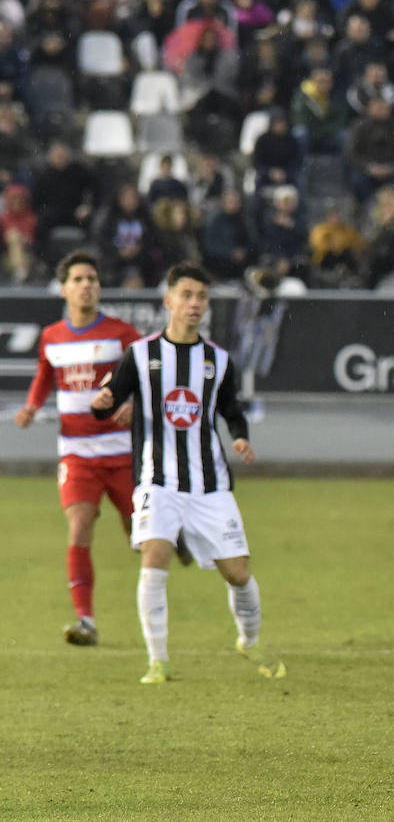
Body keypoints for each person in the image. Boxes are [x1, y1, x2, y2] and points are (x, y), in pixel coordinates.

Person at [91, 263, 283, 685]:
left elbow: (231, 409)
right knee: (154, 556)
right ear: (169, 300)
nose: (194, 303)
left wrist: (240, 437)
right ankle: (157, 660)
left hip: (209, 485)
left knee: (238, 573)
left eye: (201, 297)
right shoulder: (141, 355)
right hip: (157, 481)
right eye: (187, 295)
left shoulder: (218, 360)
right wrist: (102, 403)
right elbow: (109, 399)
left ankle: (250, 641)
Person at [14, 253, 142, 646]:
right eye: (78, 279)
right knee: (79, 526)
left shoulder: (121, 333)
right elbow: (44, 375)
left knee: (140, 534)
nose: (87, 285)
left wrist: (135, 403)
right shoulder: (52, 336)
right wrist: (32, 406)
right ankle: (85, 620)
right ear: (64, 288)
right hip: (77, 453)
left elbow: (149, 375)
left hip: (122, 453)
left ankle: (169, 544)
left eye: (92, 279)